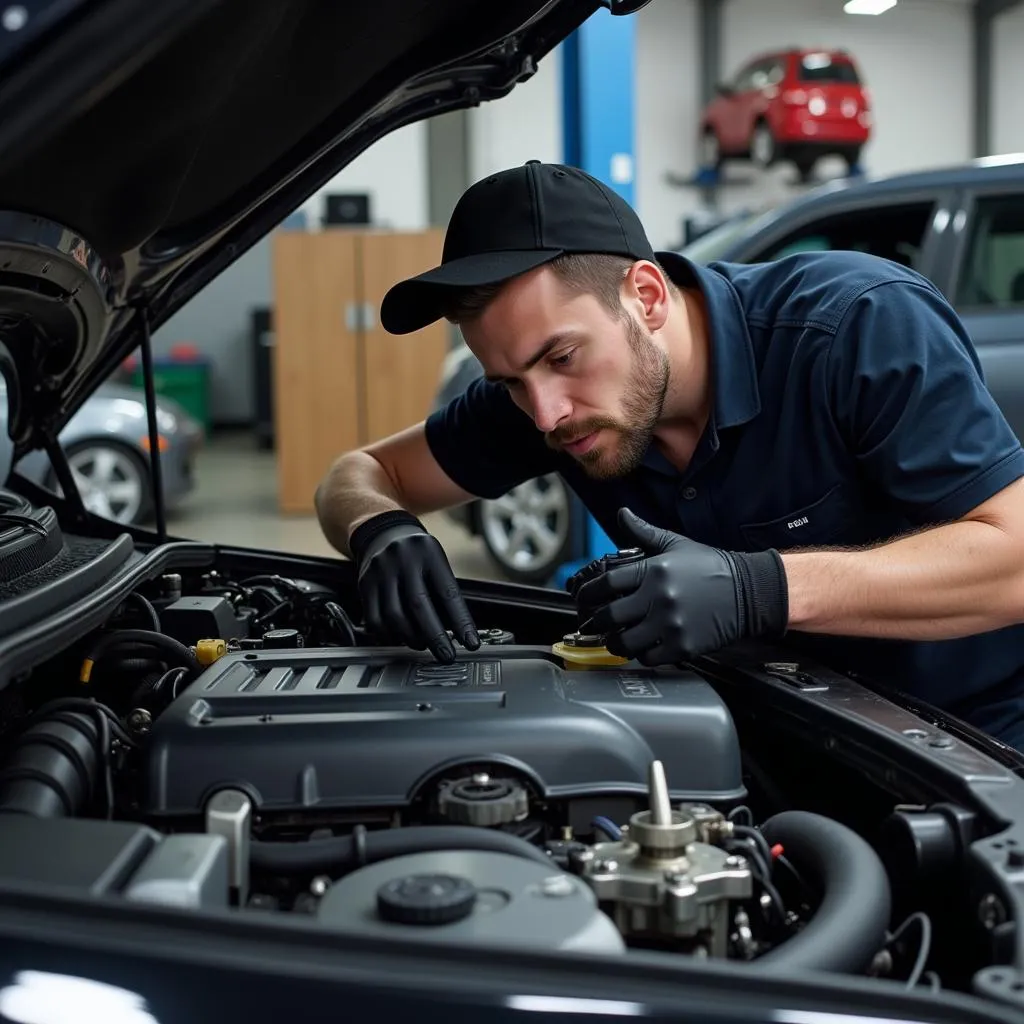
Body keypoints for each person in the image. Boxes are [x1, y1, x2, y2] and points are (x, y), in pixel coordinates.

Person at [314, 159, 1024, 751]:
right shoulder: (543, 401)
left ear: (646, 296)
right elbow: (360, 474)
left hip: (970, 739)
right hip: (778, 733)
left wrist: (762, 590)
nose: (546, 413)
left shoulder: (857, 326)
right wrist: (379, 529)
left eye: (562, 356)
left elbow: (1014, 559)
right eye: (510, 382)